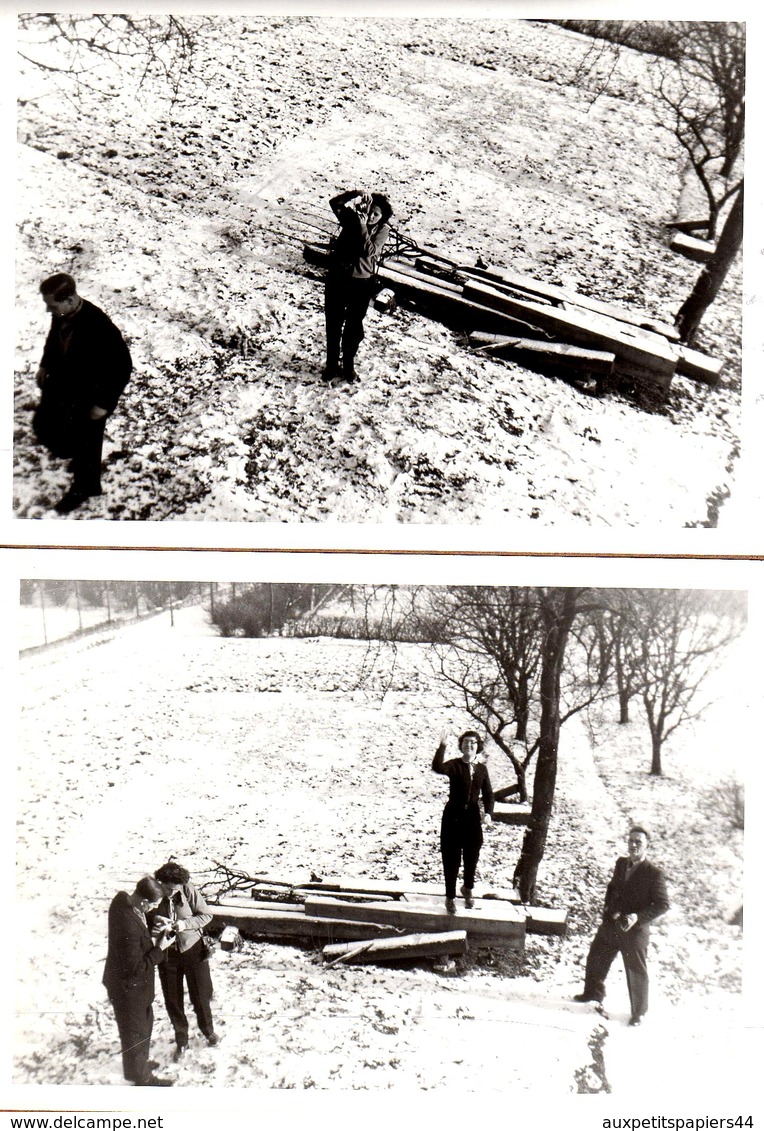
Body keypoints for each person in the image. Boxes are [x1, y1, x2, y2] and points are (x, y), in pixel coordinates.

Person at [32, 273, 132, 514]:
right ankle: (71, 450)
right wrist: (45, 364)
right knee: (46, 424)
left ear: (69, 299)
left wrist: (103, 404)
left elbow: (122, 366)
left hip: (92, 395)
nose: (48, 311)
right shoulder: (64, 313)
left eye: (51, 305)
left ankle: (86, 487)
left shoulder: (99, 326)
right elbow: (53, 340)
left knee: (88, 441)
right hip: (66, 384)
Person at [573, 827, 669, 1026]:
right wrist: (608, 910)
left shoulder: (654, 874)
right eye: (631, 841)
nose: (634, 845)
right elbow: (612, 887)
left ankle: (639, 1013)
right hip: (612, 925)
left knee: (636, 972)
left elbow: (662, 904)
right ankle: (593, 994)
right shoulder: (621, 863)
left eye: (639, 842)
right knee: (596, 957)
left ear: (647, 846)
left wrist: (638, 917)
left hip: (635, 931)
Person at [102, 876, 175, 1087]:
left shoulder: (122, 900)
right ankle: (142, 1078)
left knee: (141, 1027)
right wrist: (159, 948)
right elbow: (136, 968)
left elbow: (138, 917)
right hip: (128, 987)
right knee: (136, 1031)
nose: (153, 909)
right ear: (143, 902)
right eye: (152, 906)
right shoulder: (129, 929)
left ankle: (137, 1066)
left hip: (127, 984)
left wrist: (153, 920)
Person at [150, 862, 219, 1062]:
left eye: (176, 888)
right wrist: (156, 925)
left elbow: (206, 915)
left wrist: (184, 924)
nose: (173, 892)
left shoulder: (188, 889)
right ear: (161, 883)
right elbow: (145, 918)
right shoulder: (154, 892)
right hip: (167, 953)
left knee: (200, 995)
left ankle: (208, 1031)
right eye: (169, 888)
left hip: (192, 949)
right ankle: (182, 1040)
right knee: (173, 999)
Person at [323, 188, 393, 383]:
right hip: (337, 279)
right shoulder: (352, 219)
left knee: (353, 327)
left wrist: (362, 226)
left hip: (361, 284)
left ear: (382, 218)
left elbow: (370, 251)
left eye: (376, 215)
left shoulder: (382, 230)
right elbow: (334, 203)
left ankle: (348, 366)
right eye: (370, 211)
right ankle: (331, 365)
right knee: (333, 323)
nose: (371, 216)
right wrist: (354, 194)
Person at [432, 729, 494, 912]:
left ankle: (467, 889)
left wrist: (489, 813)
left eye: (473, 743)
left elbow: (489, 794)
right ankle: (450, 896)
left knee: (472, 855)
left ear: (478, 747)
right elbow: (437, 767)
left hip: (473, 818)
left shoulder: (482, 769)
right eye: (466, 742)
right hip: (453, 817)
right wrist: (442, 747)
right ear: (461, 746)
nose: (469, 745)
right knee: (451, 858)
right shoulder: (454, 765)